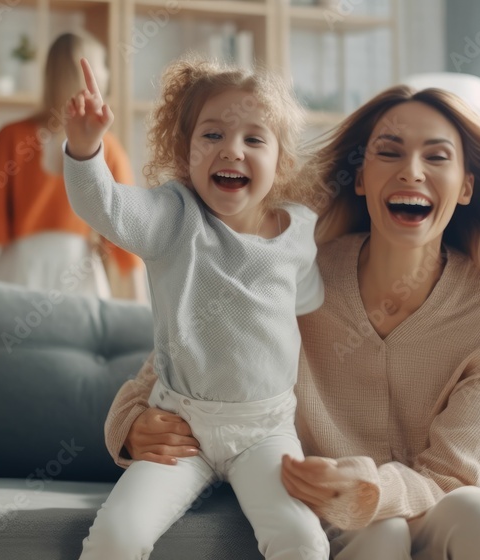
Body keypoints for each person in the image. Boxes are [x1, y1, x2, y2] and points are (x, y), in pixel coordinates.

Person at [106, 85, 480, 560]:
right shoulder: (291, 270)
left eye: (436, 157)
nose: (411, 172)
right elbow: (181, 360)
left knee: (479, 510)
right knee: (382, 535)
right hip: (329, 522)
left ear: (466, 185)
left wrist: (373, 491)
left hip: (438, 513)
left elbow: (454, 478)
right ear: (361, 177)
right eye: (389, 152)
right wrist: (131, 423)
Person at [63, 55, 329, 559]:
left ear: (281, 161)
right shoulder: (171, 217)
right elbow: (103, 204)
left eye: (254, 139)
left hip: (267, 430)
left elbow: (310, 312)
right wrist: (84, 147)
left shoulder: (299, 233)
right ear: (184, 153)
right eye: (212, 135)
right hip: (182, 428)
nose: (232, 150)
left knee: (301, 540)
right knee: (118, 535)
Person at [0, 32, 142, 299]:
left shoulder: (108, 149)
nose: (107, 74)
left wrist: (144, 319)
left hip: (57, 280)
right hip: (36, 279)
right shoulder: (13, 139)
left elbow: (127, 234)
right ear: (85, 75)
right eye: (103, 65)